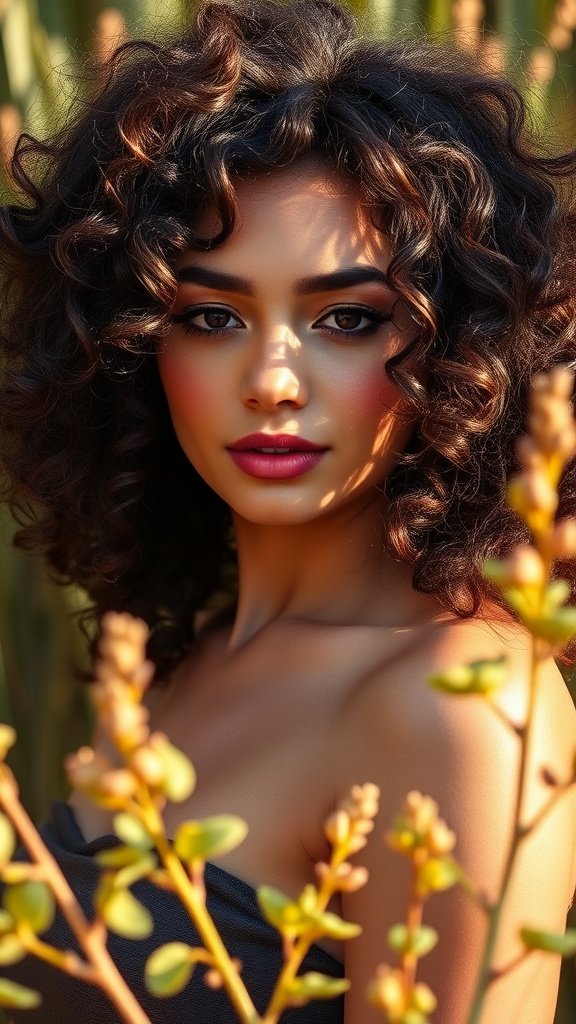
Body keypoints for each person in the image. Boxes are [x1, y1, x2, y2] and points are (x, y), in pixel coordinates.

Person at [0, 1, 575, 1021]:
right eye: (212, 316)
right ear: (135, 342)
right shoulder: (203, 648)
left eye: (348, 319)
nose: (272, 379)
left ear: (459, 352)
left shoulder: (464, 712)